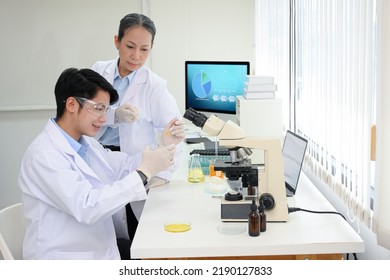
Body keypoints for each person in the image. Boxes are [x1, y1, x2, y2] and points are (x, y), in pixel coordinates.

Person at [18, 68, 176, 260]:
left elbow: (124, 167)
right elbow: (87, 206)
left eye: (106, 110)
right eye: (98, 109)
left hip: (97, 250)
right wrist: (143, 173)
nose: (104, 118)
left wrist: (164, 145)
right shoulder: (44, 155)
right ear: (71, 104)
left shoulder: (87, 145)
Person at [92, 13, 185, 240]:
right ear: (117, 41)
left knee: (134, 233)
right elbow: (84, 117)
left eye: (144, 49)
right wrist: (114, 115)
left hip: (133, 166)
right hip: (96, 160)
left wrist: (157, 175)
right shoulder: (97, 72)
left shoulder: (154, 86)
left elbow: (173, 134)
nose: (136, 56)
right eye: (130, 46)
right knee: (99, 232)